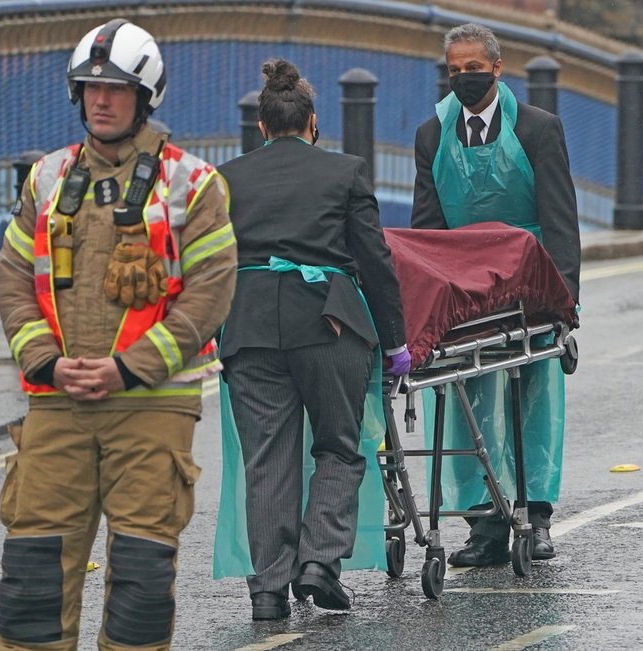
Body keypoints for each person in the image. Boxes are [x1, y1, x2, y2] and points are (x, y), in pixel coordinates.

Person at [0, 19, 236, 650]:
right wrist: (45, 363)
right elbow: (14, 280)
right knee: (31, 580)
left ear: (145, 97)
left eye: (117, 90)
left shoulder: (194, 184)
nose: (101, 100)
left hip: (152, 407)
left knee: (140, 580)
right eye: (89, 89)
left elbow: (212, 294)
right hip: (57, 404)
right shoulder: (46, 179)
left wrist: (130, 367)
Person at [212, 59, 410, 620]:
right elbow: (375, 261)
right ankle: (320, 563)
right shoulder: (345, 172)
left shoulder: (226, 178)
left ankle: (269, 589)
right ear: (313, 122)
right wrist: (395, 340)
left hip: (248, 328)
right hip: (328, 323)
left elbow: (204, 263)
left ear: (261, 126)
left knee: (268, 458)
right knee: (341, 447)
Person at [411, 23, 580, 567]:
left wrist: (566, 301)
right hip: (465, 289)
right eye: (454, 71)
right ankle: (484, 527)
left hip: (529, 286)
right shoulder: (432, 136)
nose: (464, 78)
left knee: (535, 396)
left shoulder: (537, 129)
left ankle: (537, 517)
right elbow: (426, 231)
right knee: (467, 401)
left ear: (498, 69)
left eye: (473, 69)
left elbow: (560, 219)